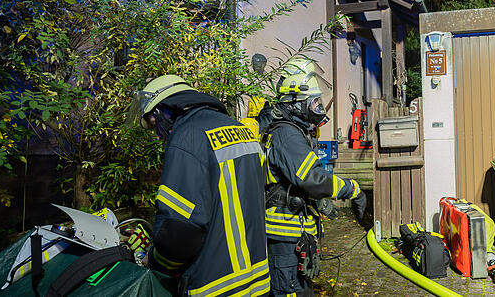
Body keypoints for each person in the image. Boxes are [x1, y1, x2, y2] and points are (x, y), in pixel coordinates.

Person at [127, 75, 269, 296]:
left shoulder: (187, 137)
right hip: (257, 280)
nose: (157, 136)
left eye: (154, 124)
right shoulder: (239, 129)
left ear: (165, 110)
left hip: (215, 285)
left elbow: (179, 229)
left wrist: (155, 260)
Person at [256, 58, 367, 297]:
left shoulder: (292, 132)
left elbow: (293, 181)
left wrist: (318, 202)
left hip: (293, 233)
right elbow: (313, 179)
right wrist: (352, 188)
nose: (319, 107)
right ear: (296, 103)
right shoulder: (287, 135)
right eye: (314, 102)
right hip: (284, 236)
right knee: (291, 292)